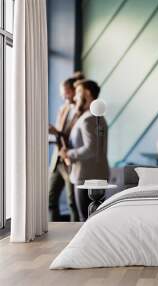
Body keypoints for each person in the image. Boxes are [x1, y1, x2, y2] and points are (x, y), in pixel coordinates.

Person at [59, 79, 109, 221]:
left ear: (86, 93)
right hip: (90, 174)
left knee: (86, 220)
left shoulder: (89, 118)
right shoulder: (91, 116)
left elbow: (91, 149)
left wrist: (68, 153)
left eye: (78, 93)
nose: (75, 97)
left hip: (87, 176)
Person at [48, 72, 84, 222]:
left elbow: (76, 137)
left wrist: (57, 132)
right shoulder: (63, 109)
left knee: (72, 202)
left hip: (71, 161)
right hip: (58, 160)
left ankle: (74, 233)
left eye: (67, 93)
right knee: (50, 198)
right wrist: (53, 134)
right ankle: (52, 230)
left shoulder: (81, 111)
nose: (65, 97)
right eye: (63, 94)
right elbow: (59, 134)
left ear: (74, 91)